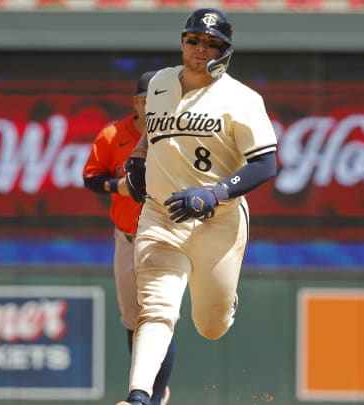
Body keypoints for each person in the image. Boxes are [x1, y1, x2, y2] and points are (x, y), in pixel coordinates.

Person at [116, 7, 278, 405]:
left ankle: (225, 300)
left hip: (217, 220)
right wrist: (137, 158)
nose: (200, 49)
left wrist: (217, 192)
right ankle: (140, 397)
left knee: (212, 326)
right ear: (182, 42)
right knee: (154, 310)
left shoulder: (242, 98)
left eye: (212, 43)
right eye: (193, 40)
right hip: (160, 214)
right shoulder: (158, 84)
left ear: (226, 50)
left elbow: (265, 163)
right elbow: (151, 137)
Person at [81, 71, 175, 405]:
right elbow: (91, 178)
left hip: (165, 238)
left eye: (157, 100)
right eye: (145, 100)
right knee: (134, 319)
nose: (150, 106)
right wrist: (114, 185)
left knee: (159, 315)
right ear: (135, 102)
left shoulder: (178, 135)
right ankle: (146, 391)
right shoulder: (112, 135)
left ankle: (152, 396)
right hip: (127, 238)